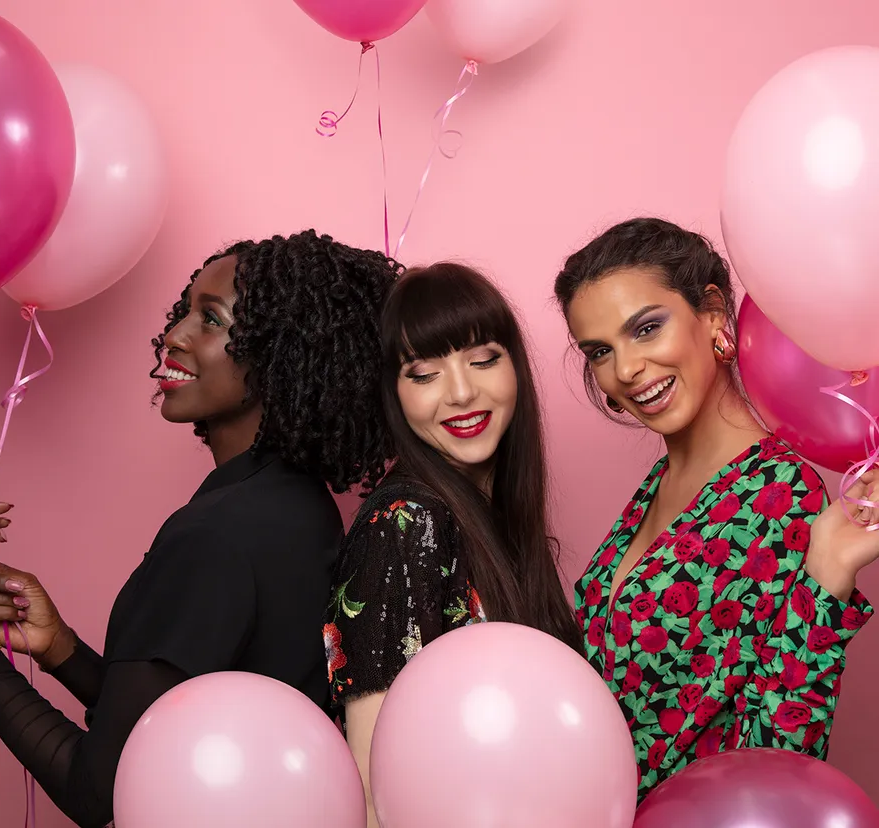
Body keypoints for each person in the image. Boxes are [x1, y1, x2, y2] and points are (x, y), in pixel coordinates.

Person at [0, 230, 400, 828]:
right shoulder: (298, 504)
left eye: (211, 318)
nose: (173, 335)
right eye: (185, 312)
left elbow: (99, 790)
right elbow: (175, 720)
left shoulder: (218, 534)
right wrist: (61, 649)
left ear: (280, 352)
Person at [554, 217, 878, 798]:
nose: (625, 370)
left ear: (710, 315)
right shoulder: (660, 485)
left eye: (647, 329)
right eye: (601, 350)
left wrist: (828, 576)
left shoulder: (776, 492)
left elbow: (779, 758)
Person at [324, 262, 583, 826]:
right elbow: (373, 793)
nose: (462, 392)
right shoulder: (406, 525)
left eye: (483, 359)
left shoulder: (489, 517)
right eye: (424, 374)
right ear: (395, 394)